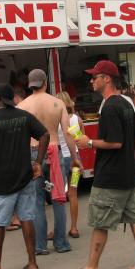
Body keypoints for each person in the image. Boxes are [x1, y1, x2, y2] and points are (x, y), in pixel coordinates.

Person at [67, 60, 135, 269]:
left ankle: (91, 268)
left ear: (106, 79)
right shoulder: (127, 103)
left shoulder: (109, 107)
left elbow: (115, 142)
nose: (91, 81)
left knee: (100, 222)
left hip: (111, 175)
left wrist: (89, 142)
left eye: (95, 77)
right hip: (127, 173)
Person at [0, 83, 49, 269]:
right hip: (25, 177)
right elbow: (44, 134)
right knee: (27, 218)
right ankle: (32, 264)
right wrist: (38, 162)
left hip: (0, 181)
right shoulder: (24, 116)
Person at [17, 69, 80, 255]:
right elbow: (68, 133)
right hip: (54, 151)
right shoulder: (57, 103)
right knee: (58, 198)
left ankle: (40, 245)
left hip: (32, 154)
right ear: (45, 83)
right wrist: (75, 157)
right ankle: (61, 243)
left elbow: (19, 136)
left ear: (30, 85)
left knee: (36, 200)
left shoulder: (22, 106)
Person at [55, 91, 84, 238]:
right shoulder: (76, 119)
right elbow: (80, 139)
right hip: (75, 160)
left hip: (59, 160)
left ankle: (57, 229)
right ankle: (74, 227)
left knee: (58, 195)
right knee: (73, 194)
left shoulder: (55, 120)